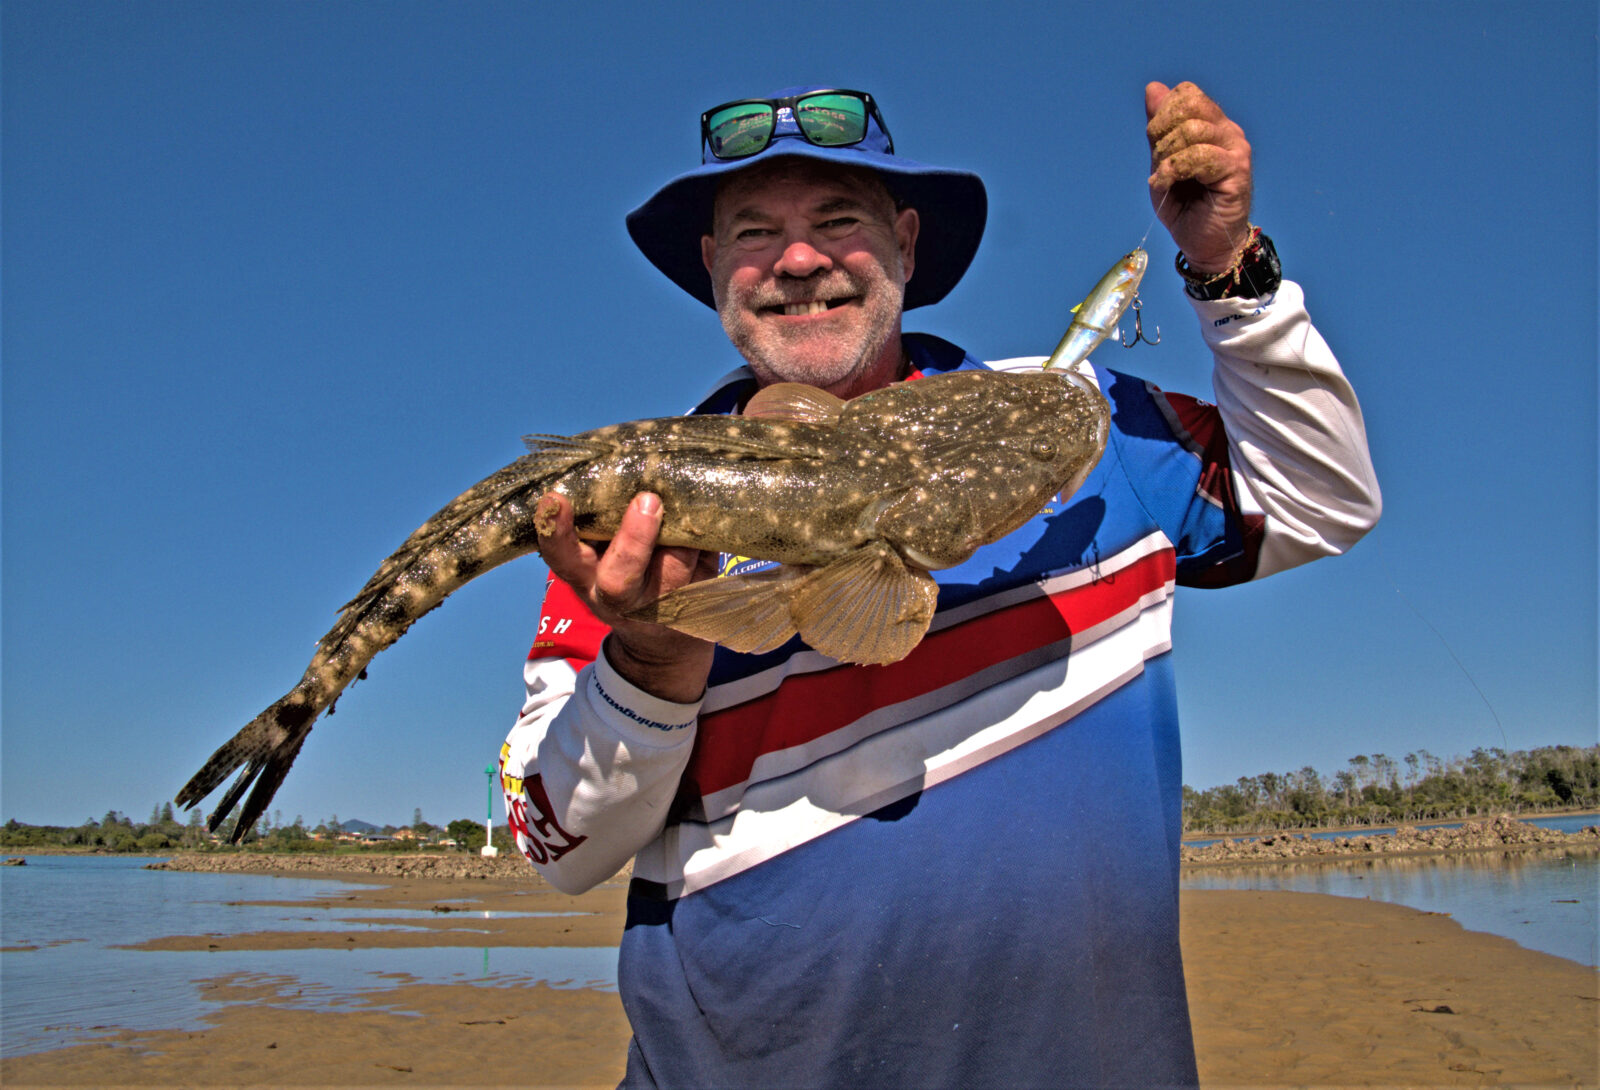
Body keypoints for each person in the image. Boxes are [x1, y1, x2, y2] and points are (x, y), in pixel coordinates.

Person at [500, 82, 1380, 1089]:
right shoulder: (636, 521)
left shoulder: (1074, 416)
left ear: (908, 246)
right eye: (754, 233)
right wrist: (652, 658)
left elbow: (1319, 503)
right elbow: (554, 843)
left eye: (839, 222)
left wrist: (1231, 272)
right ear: (712, 268)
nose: (798, 260)